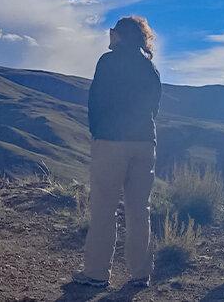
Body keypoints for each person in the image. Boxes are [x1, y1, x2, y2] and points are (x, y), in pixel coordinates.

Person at [73, 16, 162, 289]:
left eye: (112, 32)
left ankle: (97, 273)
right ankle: (140, 273)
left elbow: (96, 101)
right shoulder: (150, 68)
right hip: (144, 143)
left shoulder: (108, 62)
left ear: (120, 35)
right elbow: (153, 107)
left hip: (111, 142)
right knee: (139, 210)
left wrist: (98, 133)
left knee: (104, 208)